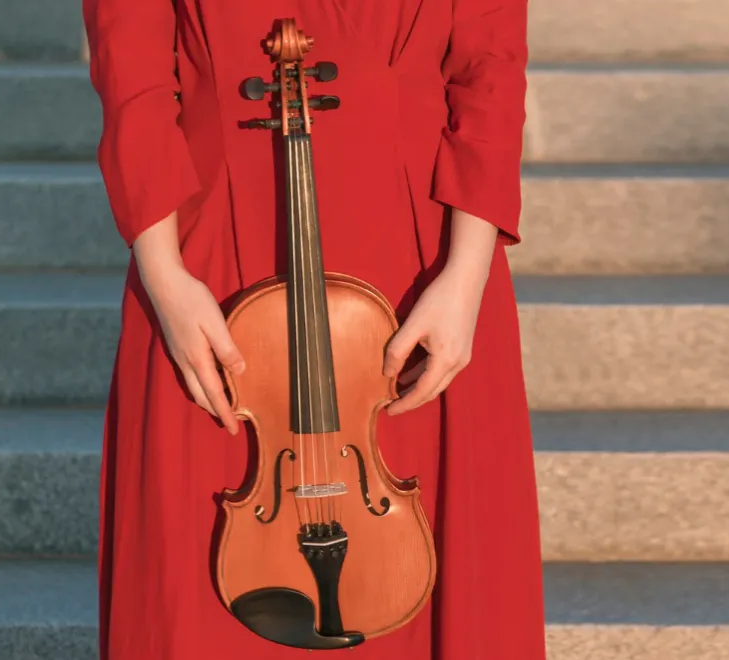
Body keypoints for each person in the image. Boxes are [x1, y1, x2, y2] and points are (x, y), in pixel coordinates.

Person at [82, 1, 546, 658]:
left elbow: (489, 70)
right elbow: (134, 83)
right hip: (208, 267)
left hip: (424, 264)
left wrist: (465, 277)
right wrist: (165, 278)